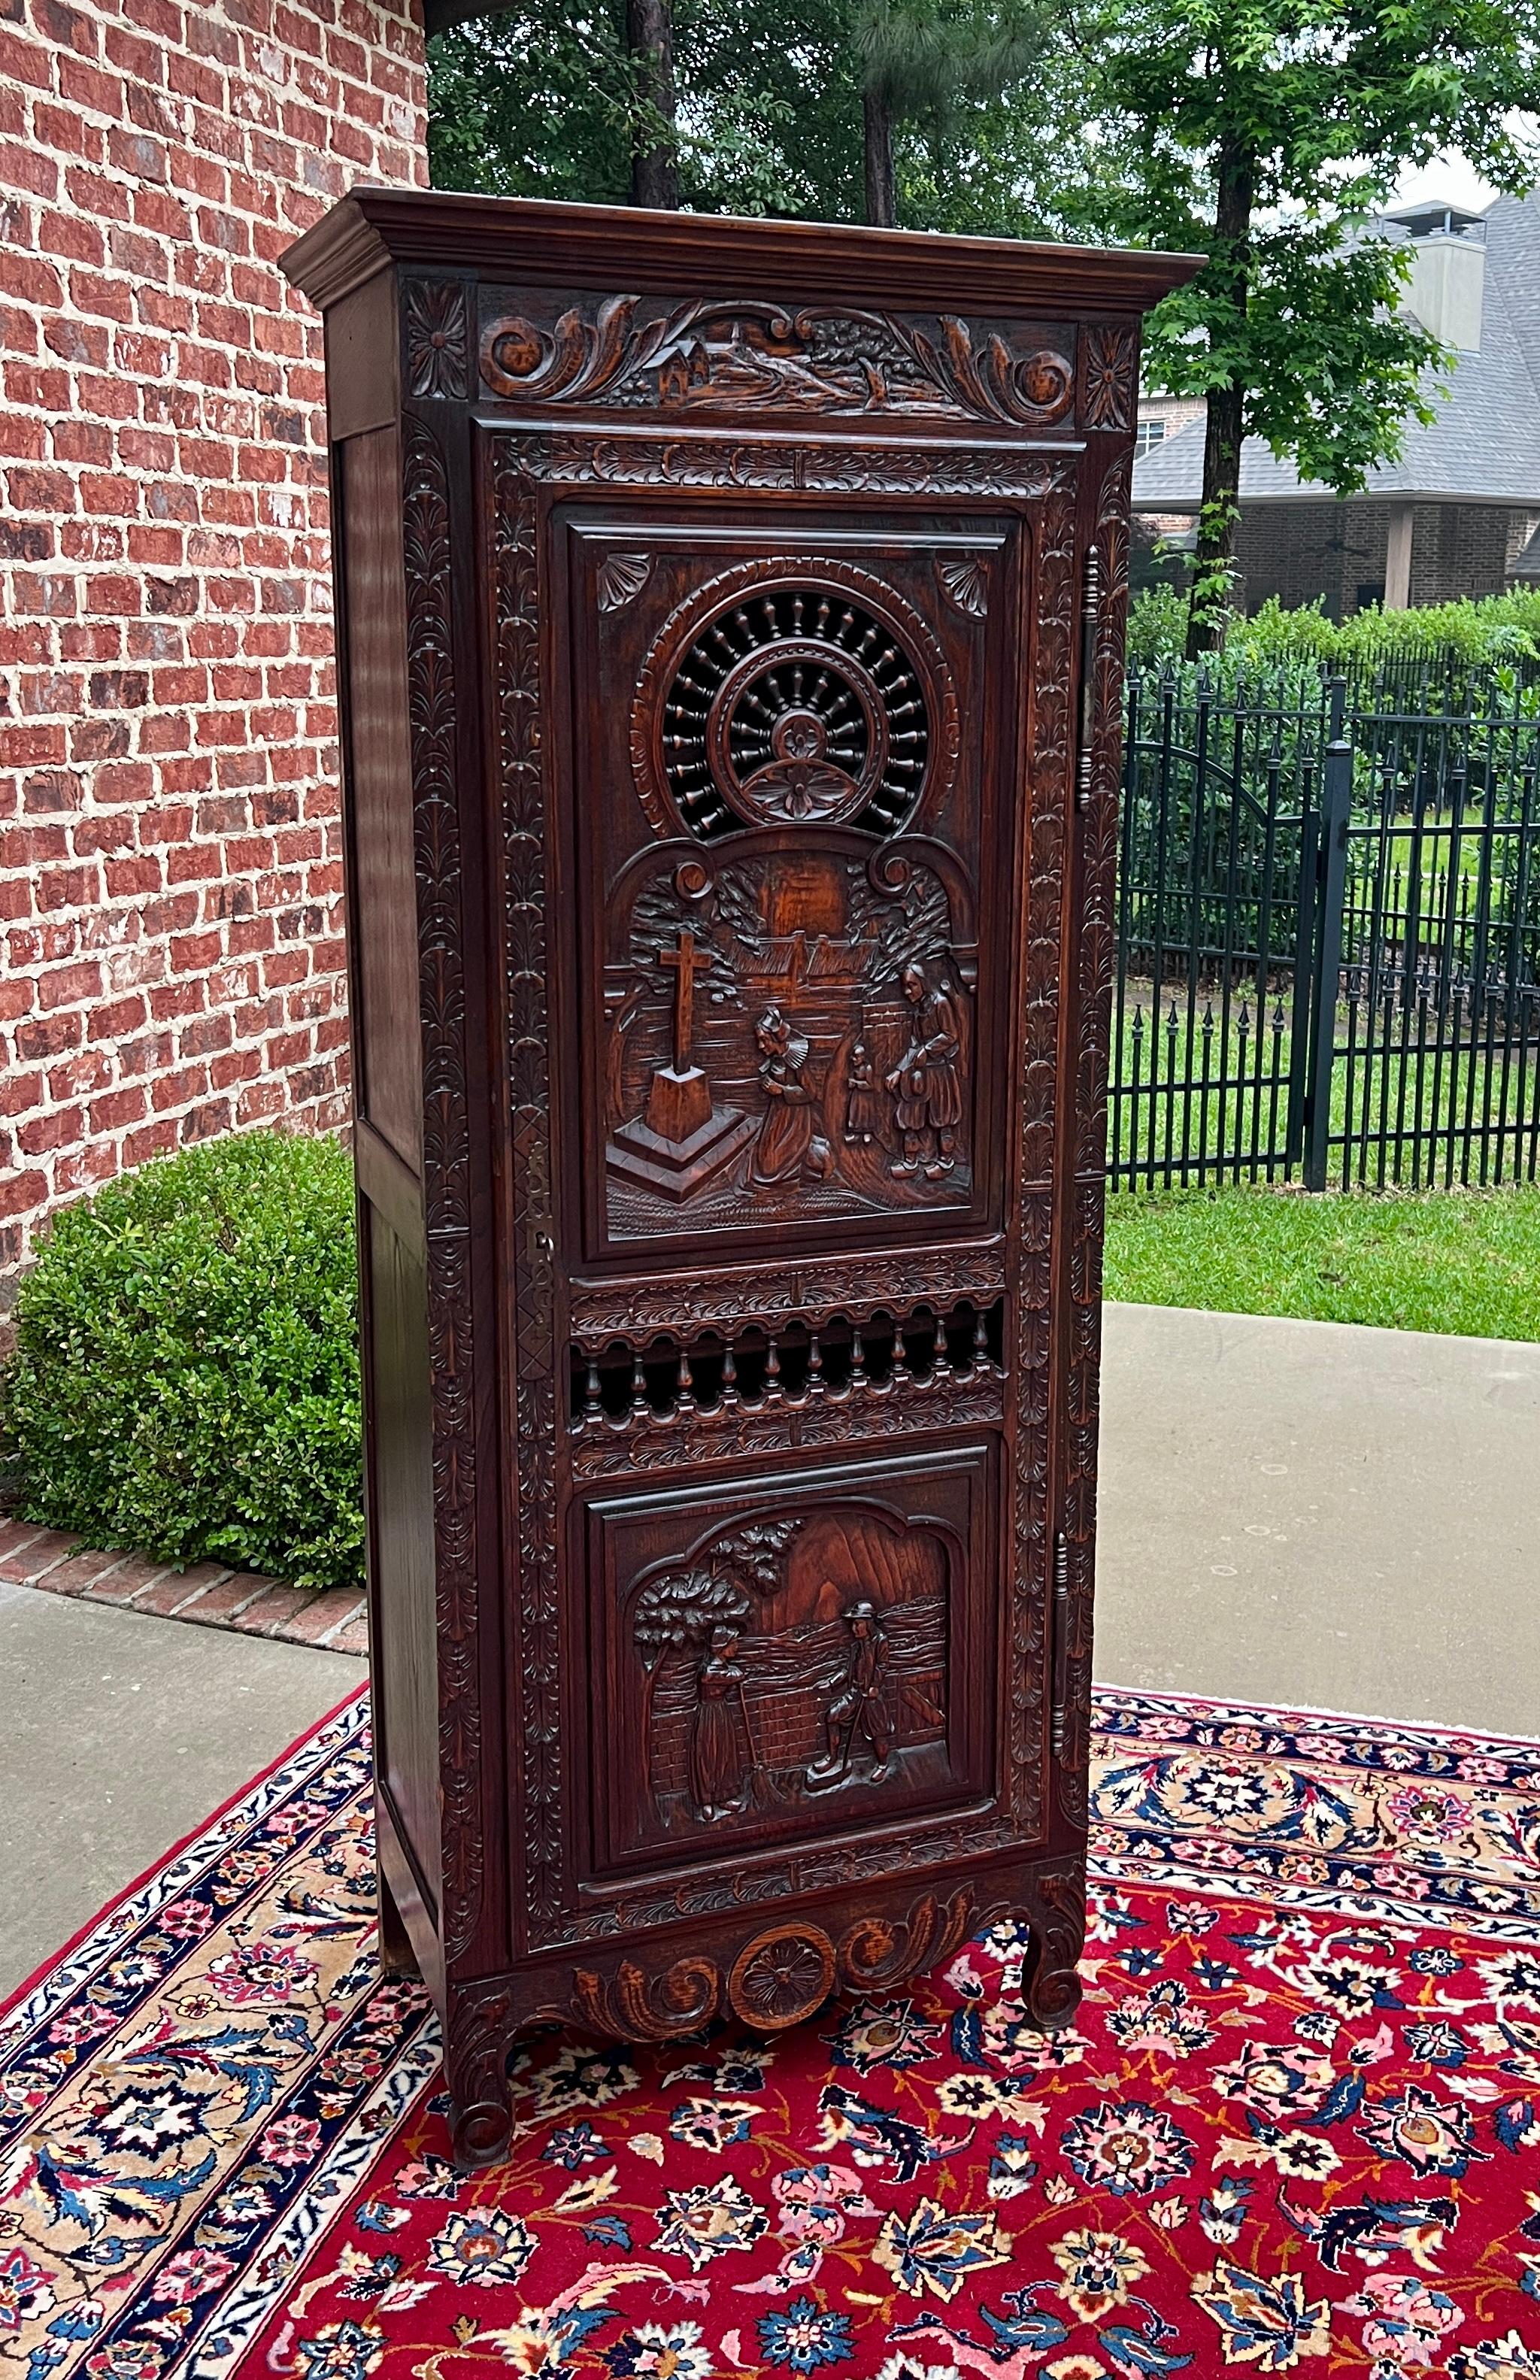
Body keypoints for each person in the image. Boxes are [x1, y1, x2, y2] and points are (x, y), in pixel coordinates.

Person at [885, 963, 964, 1179]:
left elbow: (951, 1035)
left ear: (924, 983)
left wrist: (928, 1050)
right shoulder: (919, 1010)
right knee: (911, 1116)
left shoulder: (941, 1004)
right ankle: (911, 1162)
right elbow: (913, 1043)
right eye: (905, 987)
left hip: (940, 1072)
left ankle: (946, 1162)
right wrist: (900, 1071)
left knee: (943, 1118)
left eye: (912, 985)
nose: (907, 991)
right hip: (920, 1075)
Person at [807, 1601, 893, 1787]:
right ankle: (832, 1758)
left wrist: (875, 1686)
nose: (853, 1628)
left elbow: (882, 1665)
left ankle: (883, 1764)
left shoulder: (880, 1641)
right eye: (852, 1624)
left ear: (868, 1622)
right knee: (832, 1716)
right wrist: (830, 1682)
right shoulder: (856, 1647)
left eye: (857, 1623)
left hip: (872, 1697)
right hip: (855, 1693)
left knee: (878, 1733)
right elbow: (847, 1670)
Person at [752, 1005, 833, 1184]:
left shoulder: (796, 1060)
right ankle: (810, 1153)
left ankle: (819, 1154)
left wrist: (781, 1090)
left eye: (764, 1040)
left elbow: (811, 1093)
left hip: (795, 1118)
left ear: (776, 1038)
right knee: (763, 1161)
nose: (761, 1046)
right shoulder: (776, 1057)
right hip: (779, 1114)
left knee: (770, 1169)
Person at [690, 1625, 754, 1819]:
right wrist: (735, 1674)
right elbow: (722, 1677)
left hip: (722, 1713)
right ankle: (707, 1801)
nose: (736, 1647)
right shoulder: (710, 1671)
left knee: (725, 1755)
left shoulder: (723, 1667)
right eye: (733, 1643)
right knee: (709, 1756)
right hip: (710, 1715)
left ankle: (724, 1797)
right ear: (721, 1647)